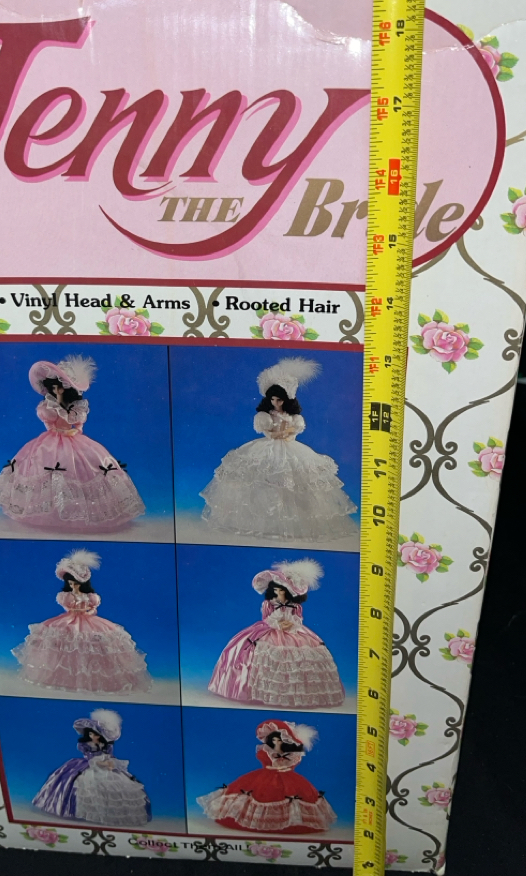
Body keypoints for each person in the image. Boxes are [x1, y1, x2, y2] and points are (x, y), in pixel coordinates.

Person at [200, 357, 358, 541]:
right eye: (273, 399)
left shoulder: (295, 418)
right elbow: (268, 433)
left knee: (294, 480)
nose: (275, 403)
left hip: (290, 447)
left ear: (287, 399)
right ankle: (263, 522)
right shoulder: (265, 416)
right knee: (263, 478)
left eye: (279, 400)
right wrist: (277, 433)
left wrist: (287, 433)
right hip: (268, 447)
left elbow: (293, 432)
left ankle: (292, 523)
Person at [0, 354, 144, 531]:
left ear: (65, 389)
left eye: (58, 388)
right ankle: (49, 509)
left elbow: (78, 423)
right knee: (43, 467)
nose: (54, 391)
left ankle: (81, 510)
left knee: (85, 467)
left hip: (72, 438)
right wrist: (57, 418)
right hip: (50, 441)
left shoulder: (75, 407)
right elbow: (48, 422)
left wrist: (74, 427)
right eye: (52, 388)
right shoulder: (48, 406)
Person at [208, 558, 344, 708]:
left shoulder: (295, 607)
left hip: (293, 631)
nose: (277, 594)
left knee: (303, 654)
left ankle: (299, 694)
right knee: (258, 652)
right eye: (276, 591)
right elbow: (267, 619)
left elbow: (298, 619)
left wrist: (292, 623)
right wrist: (277, 624)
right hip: (271, 630)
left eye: (281, 591)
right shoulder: (269, 604)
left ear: (290, 593)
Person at [12, 549, 152, 693]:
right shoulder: (66, 596)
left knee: (92, 644)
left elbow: (93, 609)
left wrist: (87, 611)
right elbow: (68, 608)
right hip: (70, 620)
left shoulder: (91, 597)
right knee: (67, 643)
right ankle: (65, 677)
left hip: (88, 620)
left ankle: (94, 680)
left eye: (76, 583)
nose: (73, 586)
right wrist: (76, 610)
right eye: (70, 583)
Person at [197, 719, 335, 834]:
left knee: (290, 797)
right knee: (254, 794)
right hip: (263, 777)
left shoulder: (293, 752)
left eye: (279, 739)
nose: (275, 743)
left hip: (288, 779)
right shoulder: (265, 748)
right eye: (273, 739)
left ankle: (286, 822)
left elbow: (292, 760)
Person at [33, 708, 151, 825]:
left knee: (118, 785)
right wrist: (100, 763)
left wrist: (110, 763)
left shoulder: (107, 746)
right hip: (89, 764)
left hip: (105, 764)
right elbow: (90, 758)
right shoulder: (87, 745)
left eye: (95, 734)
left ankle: (108, 813)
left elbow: (110, 756)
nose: (91, 736)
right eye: (90, 734)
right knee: (82, 783)